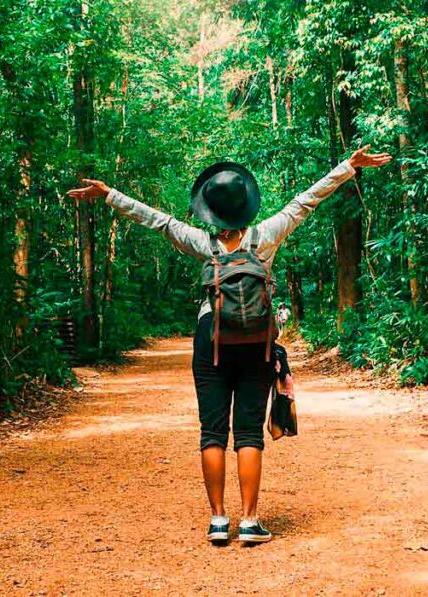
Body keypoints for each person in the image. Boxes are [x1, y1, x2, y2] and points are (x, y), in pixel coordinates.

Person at [68, 146, 392, 544]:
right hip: (257, 341)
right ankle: (250, 521)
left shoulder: (203, 243)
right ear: (246, 206)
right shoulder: (266, 235)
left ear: (210, 210)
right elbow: (307, 200)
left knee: (213, 432)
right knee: (249, 434)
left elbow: (158, 221)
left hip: (212, 340)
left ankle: (219, 520)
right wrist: (348, 166)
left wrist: (109, 194)